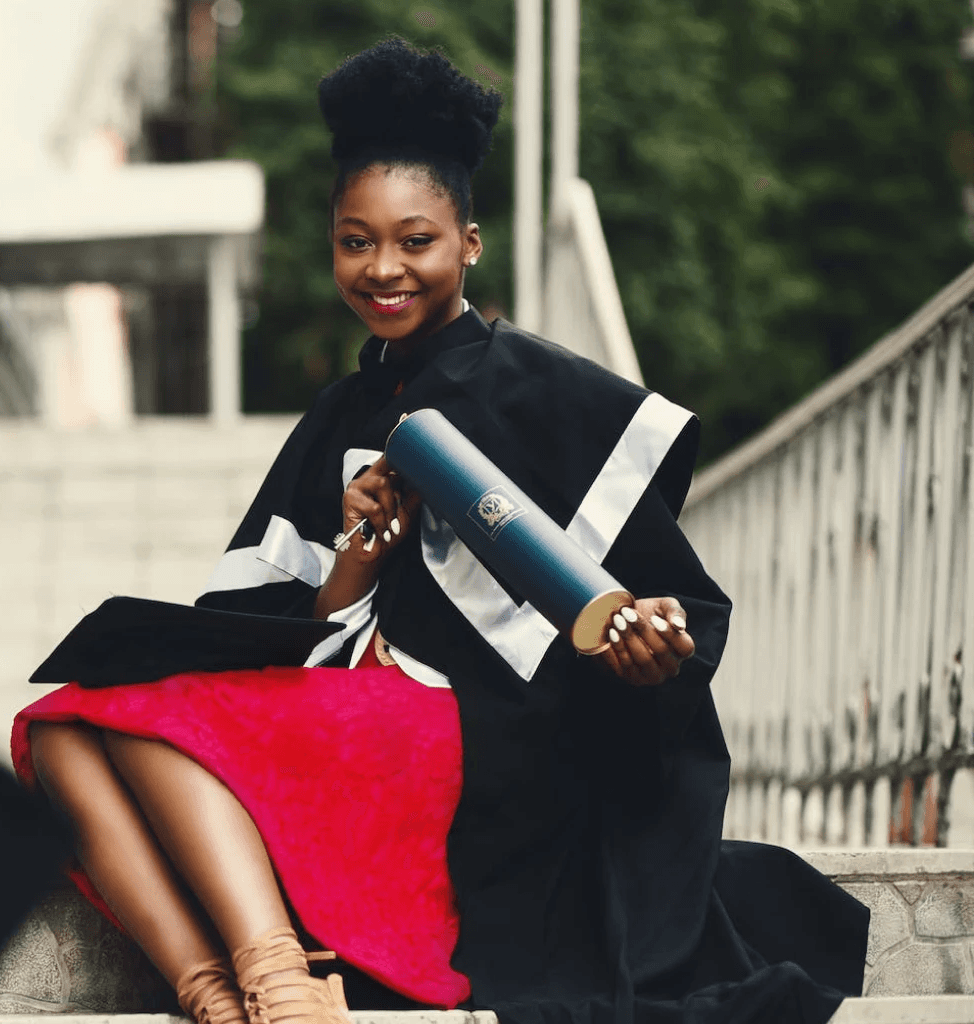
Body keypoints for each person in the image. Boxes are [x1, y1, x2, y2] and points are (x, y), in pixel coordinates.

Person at [9, 36, 867, 1024]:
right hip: (362, 723)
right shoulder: (335, 418)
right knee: (62, 724)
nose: (383, 268)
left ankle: (278, 986)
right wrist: (352, 564)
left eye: (414, 240)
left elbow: (667, 612)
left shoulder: (553, 395)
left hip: (493, 756)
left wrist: (648, 650)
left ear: (467, 240)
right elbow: (259, 637)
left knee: (142, 714)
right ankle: (232, 991)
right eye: (354, 239)